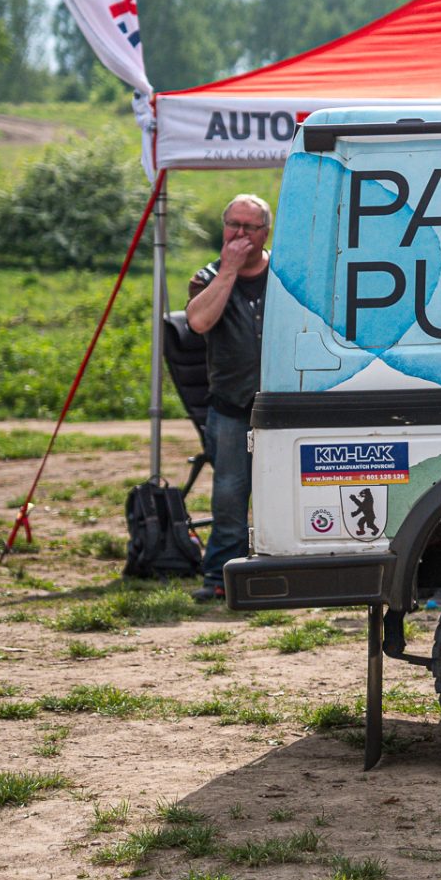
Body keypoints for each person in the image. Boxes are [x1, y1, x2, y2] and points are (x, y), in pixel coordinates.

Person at [186, 194, 271, 602]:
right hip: (231, 407)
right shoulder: (207, 277)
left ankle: (277, 566)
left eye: (248, 227)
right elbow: (200, 321)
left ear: (265, 233)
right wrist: (229, 271)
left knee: (280, 491)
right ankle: (220, 575)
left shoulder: (283, 275)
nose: (239, 234)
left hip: (280, 408)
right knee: (228, 495)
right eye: (232, 225)